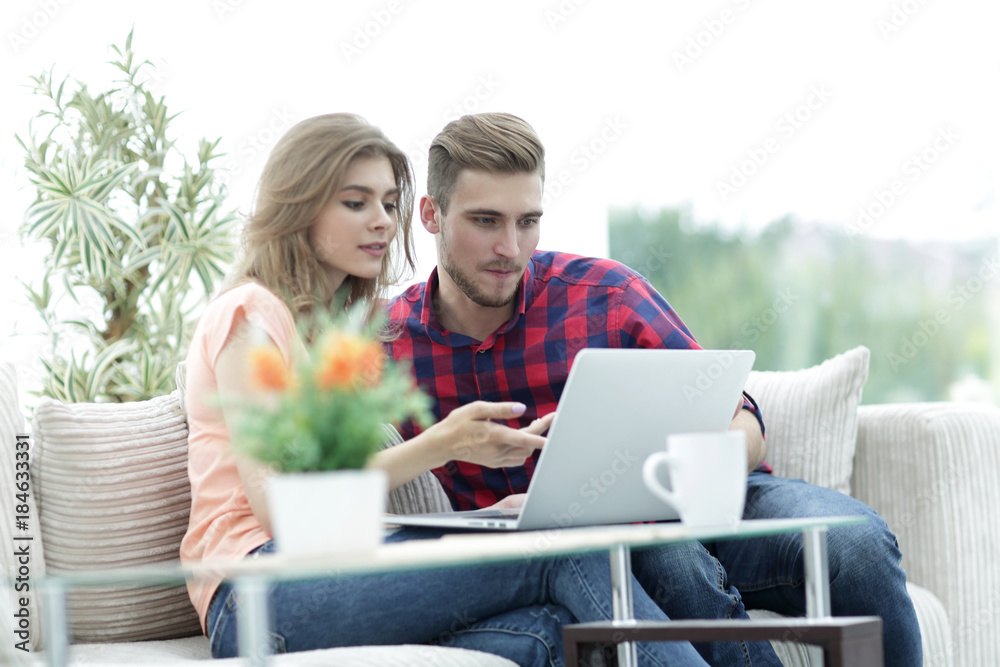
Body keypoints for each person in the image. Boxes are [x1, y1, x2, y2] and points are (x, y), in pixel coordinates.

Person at [384, 112, 923, 667]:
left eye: (528, 221)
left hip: (719, 505)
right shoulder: (387, 348)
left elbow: (743, 417)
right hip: (593, 547)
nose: (510, 248)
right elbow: (333, 476)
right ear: (431, 214)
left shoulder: (605, 294)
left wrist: (707, 464)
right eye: (486, 221)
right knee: (666, 560)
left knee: (855, 541)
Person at [179, 112, 713, 666]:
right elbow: (284, 508)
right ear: (300, 207)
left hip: (325, 572)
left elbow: (343, 503)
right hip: (256, 595)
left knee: (557, 631)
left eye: (389, 203)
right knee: (566, 548)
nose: (382, 222)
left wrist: (480, 524)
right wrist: (445, 443)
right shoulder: (251, 314)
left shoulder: (333, 335)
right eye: (355, 203)